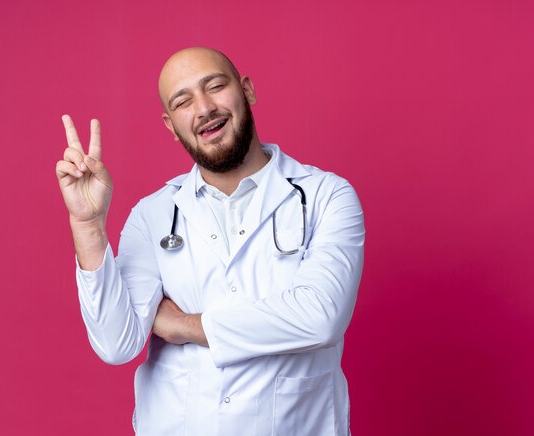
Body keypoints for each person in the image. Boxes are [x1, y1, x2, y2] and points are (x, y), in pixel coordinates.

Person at [55, 47, 365, 436]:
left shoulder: (326, 196)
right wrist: (87, 225)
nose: (203, 108)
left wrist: (183, 325)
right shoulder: (153, 214)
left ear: (247, 90)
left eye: (215, 86)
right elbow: (118, 343)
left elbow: (319, 318)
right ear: (170, 125)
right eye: (183, 102)